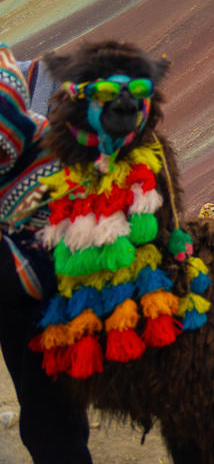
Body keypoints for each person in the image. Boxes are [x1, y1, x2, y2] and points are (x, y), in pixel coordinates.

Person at [0, 45, 93, 463]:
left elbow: (9, 133)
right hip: (22, 280)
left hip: (48, 277)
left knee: (51, 424)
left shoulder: (28, 86)